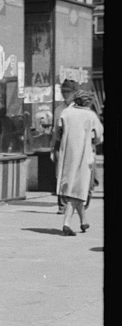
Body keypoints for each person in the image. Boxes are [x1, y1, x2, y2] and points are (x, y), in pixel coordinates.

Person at [51, 90, 103, 236]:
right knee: (78, 190)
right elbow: (99, 136)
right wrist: (91, 140)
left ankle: (83, 221)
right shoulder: (90, 115)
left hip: (67, 154)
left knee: (72, 189)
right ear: (88, 102)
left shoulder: (65, 113)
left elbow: (57, 133)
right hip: (85, 155)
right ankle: (66, 224)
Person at [51, 79, 78, 214]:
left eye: (68, 92)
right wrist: (52, 148)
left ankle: (74, 203)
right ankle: (62, 206)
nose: (65, 94)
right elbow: (55, 131)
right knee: (60, 175)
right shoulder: (59, 109)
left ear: (74, 93)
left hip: (75, 145)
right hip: (60, 144)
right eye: (63, 91)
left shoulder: (79, 108)